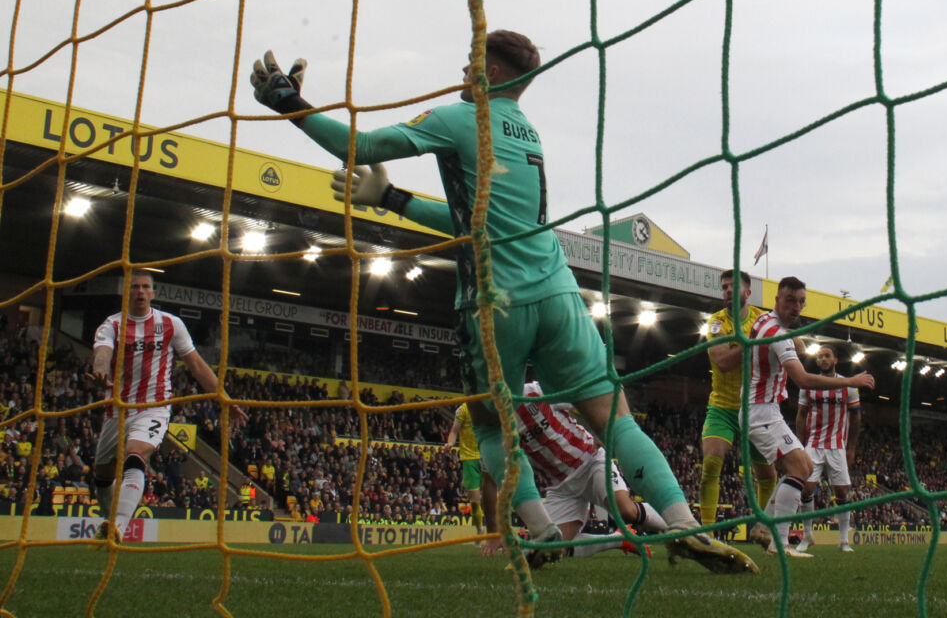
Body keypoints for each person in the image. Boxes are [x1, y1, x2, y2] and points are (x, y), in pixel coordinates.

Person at [250, 31, 756, 574]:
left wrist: (289, 103)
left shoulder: (461, 119)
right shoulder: (528, 130)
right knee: (618, 423)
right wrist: (394, 200)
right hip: (559, 292)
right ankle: (684, 525)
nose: (463, 69)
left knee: (492, 426)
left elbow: (363, 147)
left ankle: (541, 533)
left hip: (496, 301)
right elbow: (477, 221)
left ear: (490, 70)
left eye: (471, 61)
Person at [718, 276, 874, 558]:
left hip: (761, 409)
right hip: (760, 411)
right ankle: (779, 543)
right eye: (790, 301)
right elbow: (802, 379)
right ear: (777, 300)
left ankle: (765, 529)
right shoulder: (778, 335)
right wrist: (850, 381)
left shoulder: (763, 320)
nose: (797, 307)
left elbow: (772, 348)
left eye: (801, 302)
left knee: (800, 467)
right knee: (800, 470)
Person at [89, 270, 246, 544]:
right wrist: (100, 370)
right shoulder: (111, 325)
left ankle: (118, 526)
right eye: (134, 287)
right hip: (117, 409)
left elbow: (196, 365)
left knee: (136, 456)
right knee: (101, 477)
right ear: (127, 292)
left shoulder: (171, 324)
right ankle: (111, 521)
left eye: (145, 287)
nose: (140, 291)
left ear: (153, 292)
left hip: (155, 406)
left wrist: (224, 398)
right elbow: (102, 354)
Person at [479, 381, 667, 559]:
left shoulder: (536, 392)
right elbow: (489, 481)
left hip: (590, 462)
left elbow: (586, 399)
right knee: (552, 550)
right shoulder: (491, 431)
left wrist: (599, 431)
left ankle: (682, 528)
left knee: (625, 510)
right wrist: (493, 532)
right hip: (560, 488)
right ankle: (618, 539)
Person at [698, 269, 777, 529]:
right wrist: (755, 340)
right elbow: (722, 362)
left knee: (767, 476)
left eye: (733, 286)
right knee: (710, 465)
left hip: (755, 408)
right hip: (722, 406)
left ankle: (763, 528)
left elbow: (795, 347)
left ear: (748, 292)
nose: (728, 290)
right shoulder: (716, 323)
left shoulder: (762, 320)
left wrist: (788, 338)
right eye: (724, 287)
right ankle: (707, 533)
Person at [793, 344, 861, 553]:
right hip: (813, 444)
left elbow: (856, 417)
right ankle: (808, 536)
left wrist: (851, 448)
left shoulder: (847, 386)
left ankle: (843, 541)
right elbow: (801, 415)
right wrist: (800, 445)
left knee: (841, 492)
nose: (822, 359)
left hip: (837, 446)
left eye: (827, 356)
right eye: (820, 356)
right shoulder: (809, 384)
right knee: (806, 488)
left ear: (835, 360)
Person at [445, 403, 485, 536]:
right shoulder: (463, 410)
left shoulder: (489, 405)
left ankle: (497, 529)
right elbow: (454, 431)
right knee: (475, 499)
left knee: (492, 496)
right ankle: (480, 529)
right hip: (469, 459)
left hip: (487, 455)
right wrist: (450, 443)